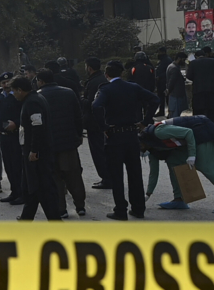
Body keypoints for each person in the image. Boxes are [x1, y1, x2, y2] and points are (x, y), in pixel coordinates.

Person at [92, 60, 160, 221]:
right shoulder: (133, 87)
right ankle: (138, 208)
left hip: (114, 136)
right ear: (122, 73)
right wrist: (145, 120)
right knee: (135, 174)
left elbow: (96, 106)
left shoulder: (106, 89)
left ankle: (120, 210)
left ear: (106, 74)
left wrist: (103, 127)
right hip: (131, 135)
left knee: (116, 175)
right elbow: (155, 100)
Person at [10, 75, 62, 221]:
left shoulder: (33, 102)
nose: (13, 95)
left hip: (38, 153)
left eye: (14, 91)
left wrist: (34, 150)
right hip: (32, 151)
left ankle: (55, 220)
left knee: (41, 187)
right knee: (30, 186)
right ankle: (27, 217)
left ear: (20, 90)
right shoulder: (33, 99)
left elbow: (37, 127)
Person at [36, 69, 86, 217]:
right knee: (74, 175)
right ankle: (80, 206)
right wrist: (78, 135)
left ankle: (61, 209)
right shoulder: (69, 92)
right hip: (69, 142)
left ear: (41, 81)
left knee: (55, 178)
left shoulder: (38, 96)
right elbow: (78, 116)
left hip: (50, 144)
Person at [141, 116, 214, 209]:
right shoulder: (151, 149)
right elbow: (154, 173)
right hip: (188, 141)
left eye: (140, 148)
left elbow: (188, 132)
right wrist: (148, 194)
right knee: (173, 161)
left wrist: (192, 155)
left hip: (201, 132)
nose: (142, 151)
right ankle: (179, 199)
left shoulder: (158, 132)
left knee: (205, 167)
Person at [0, 72, 23, 204]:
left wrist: (16, 123)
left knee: (18, 166)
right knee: (9, 166)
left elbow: (23, 114)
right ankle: (14, 191)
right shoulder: (1, 96)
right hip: (3, 136)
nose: (5, 85)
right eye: (3, 83)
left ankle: (22, 193)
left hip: (15, 135)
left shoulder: (18, 97)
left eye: (8, 82)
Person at [82, 58, 110, 190]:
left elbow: (91, 103)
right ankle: (107, 176)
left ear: (89, 68)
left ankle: (106, 177)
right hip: (102, 120)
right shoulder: (102, 79)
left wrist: (80, 99)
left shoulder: (94, 82)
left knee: (98, 151)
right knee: (103, 149)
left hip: (94, 122)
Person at [185, 52, 214, 121]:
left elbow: (189, 76)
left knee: (198, 113)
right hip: (211, 91)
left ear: (196, 56)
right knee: (211, 112)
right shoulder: (212, 61)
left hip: (198, 91)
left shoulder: (193, 63)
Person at [166, 52, 188, 119]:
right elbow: (172, 81)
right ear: (179, 58)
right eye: (183, 60)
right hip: (176, 94)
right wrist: (168, 90)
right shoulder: (174, 68)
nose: (184, 62)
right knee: (175, 115)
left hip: (174, 94)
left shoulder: (173, 66)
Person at [155, 47, 172, 117]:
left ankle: (170, 112)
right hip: (160, 82)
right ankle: (161, 111)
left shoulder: (167, 60)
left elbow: (168, 71)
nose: (158, 54)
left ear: (163, 52)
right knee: (161, 98)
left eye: (159, 52)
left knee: (167, 98)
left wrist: (160, 76)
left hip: (165, 81)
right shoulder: (161, 60)